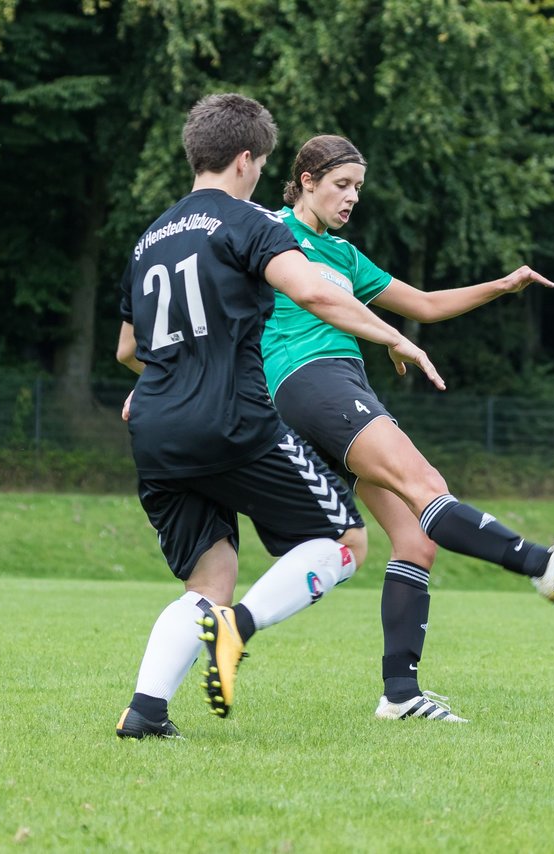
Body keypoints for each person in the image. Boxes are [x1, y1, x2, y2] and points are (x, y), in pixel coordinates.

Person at [112, 94, 446, 739]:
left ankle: (145, 711)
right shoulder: (248, 223)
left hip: (154, 428)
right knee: (346, 542)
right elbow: (316, 289)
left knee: (210, 574)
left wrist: (172, 382)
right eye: (262, 164)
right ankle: (237, 629)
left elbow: (129, 349)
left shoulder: (148, 239)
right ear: (246, 159)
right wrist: (394, 337)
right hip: (232, 422)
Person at [261, 134, 554, 723]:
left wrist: (500, 287)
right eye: (341, 185)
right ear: (305, 179)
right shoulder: (270, 231)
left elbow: (423, 304)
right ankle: (541, 564)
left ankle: (399, 695)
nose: (352, 197)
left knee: (415, 538)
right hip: (309, 381)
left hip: (342, 385)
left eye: (358, 187)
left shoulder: (345, 256)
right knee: (423, 479)